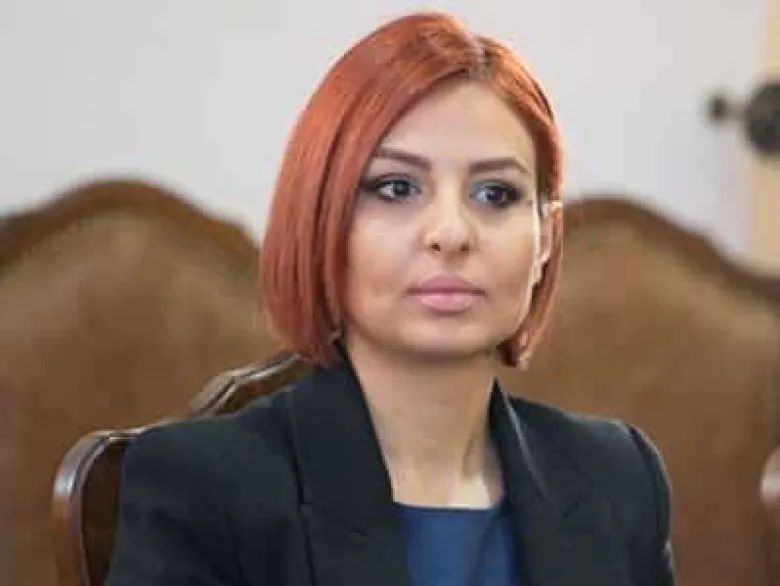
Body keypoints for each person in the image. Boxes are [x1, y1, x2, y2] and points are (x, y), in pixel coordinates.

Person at [105, 10, 674, 586]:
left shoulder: (619, 477)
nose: (450, 233)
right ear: (322, 219)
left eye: (495, 193)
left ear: (546, 238)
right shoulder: (198, 487)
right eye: (397, 188)